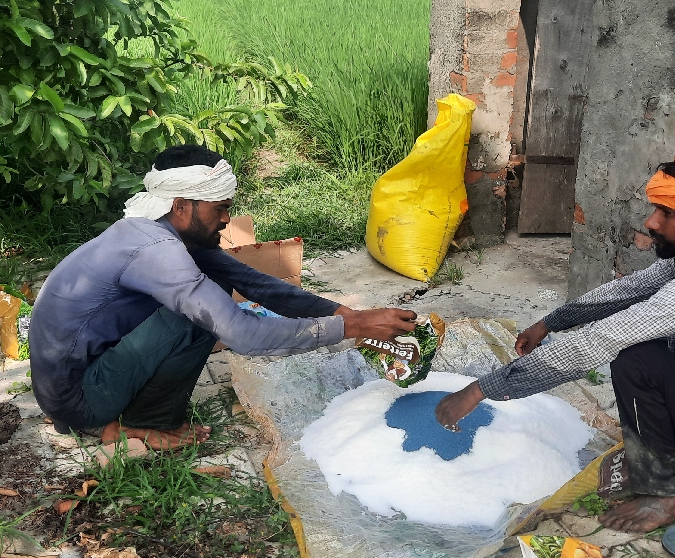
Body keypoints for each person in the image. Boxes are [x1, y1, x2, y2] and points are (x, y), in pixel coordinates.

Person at [434, 146, 675, 532]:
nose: (652, 222)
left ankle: (673, 492)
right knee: (644, 349)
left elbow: (599, 340)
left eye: (668, 213)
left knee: (636, 358)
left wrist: (478, 390)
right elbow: (627, 291)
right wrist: (551, 321)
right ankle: (671, 467)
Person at [30, 144, 415, 450]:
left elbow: (257, 285)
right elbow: (242, 336)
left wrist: (346, 313)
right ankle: (139, 425)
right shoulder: (157, 251)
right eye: (221, 209)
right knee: (200, 312)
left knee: (210, 294)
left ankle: (123, 411)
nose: (227, 220)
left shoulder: (155, 230)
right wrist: (347, 328)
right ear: (182, 206)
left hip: (69, 380)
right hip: (76, 398)